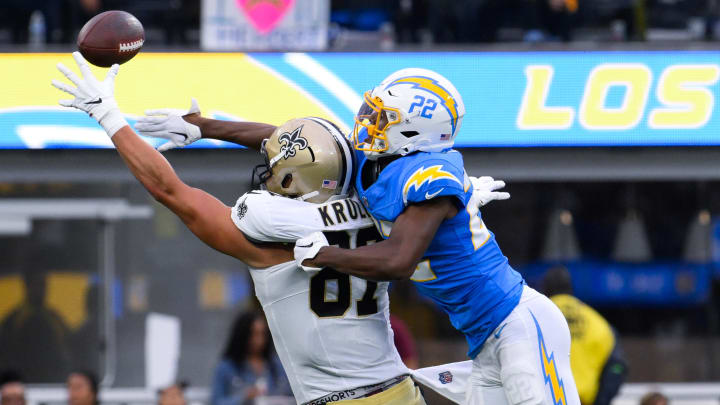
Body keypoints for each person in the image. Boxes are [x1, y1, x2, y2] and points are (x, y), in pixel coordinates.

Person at [51, 53, 509, 404]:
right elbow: (313, 149)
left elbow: (171, 191)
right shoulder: (374, 206)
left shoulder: (268, 236)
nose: (267, 172)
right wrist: (206, 126)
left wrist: (109, 117)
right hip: (398, 391)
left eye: (274, 170)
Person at [288, 67, 580, 405]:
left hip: (519, 324)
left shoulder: (429, 177)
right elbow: (306, 145)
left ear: (413, 129)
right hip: (486, 339)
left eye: (384, 118)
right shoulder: (375, 164)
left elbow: (398, 261)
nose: (369, 122)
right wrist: (214, 128)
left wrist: (325, 255)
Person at [542, 266, 628, 405]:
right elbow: (617, 368)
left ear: (544, 289)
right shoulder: (599, 324)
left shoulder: (535, 319)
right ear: (571, 288)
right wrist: (601, 400)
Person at [211, 312, 291, 405]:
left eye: (263, 334)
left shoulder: (277, 365)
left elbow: (293, 396)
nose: (259, 340)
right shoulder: (227, 367)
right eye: (254, 334)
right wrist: (244, 398)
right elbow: (215, 401)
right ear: (242, 335)